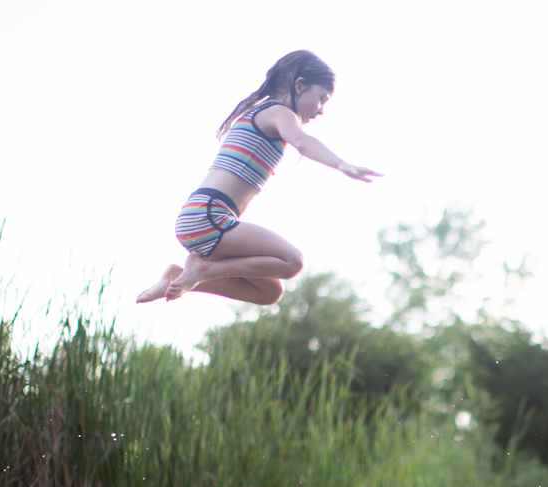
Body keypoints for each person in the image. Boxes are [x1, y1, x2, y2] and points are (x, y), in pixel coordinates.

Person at [137, 50, 380, 306]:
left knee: (268, 293)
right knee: (291, 262)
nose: (321, 110)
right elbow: (303, 142)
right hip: (208, 216)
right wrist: (342, 164)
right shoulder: (279, 113)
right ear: (300, 85)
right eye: (321, 98)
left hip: (206, 216)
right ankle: (201, 270)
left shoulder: (262, 115)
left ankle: (179, 276)